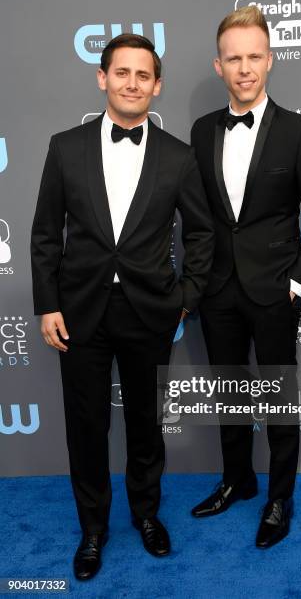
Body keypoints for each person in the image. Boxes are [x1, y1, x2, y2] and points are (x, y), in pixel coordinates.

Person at [31, 33, 214, 579]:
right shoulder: (64, 148)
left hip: (149, 312)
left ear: (156, 86)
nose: (131, 83)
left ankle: (146, 515)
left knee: (144, 423)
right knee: (84, 425)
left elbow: (201, 236)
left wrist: (185, 297)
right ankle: (92, 529)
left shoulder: (179, 157)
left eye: (143, 75)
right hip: (80, 311)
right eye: (122, 72)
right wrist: (48, 304)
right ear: (102, 77)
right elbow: (45, 235)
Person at [190, 6, 301, 548]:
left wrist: (296, 285)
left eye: (254, 57)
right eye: (234, 58)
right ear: (219, 64)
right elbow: (200, 219)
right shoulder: (202, 131)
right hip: (217, 291)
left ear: (270, 61)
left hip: (276, 291)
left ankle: (279, 497)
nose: (244, 68)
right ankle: (237, 480)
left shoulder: (300, 132)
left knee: (277, 397)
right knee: (229, 392)